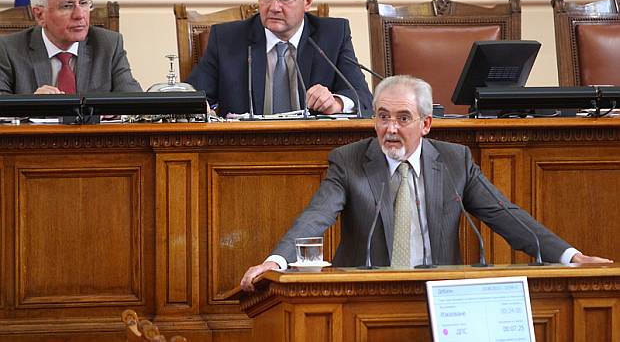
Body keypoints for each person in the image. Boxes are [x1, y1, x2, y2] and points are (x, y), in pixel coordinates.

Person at [240, 75, 612, 291]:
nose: (390, 128)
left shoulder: (454, 161)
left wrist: (571, 256)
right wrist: (275, 261)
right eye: (382, 116)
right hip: (365, 295)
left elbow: (507, 217)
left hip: (440, 293)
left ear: (426, 124)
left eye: (403, 118)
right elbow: (315, 217)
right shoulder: (349, 160)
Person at [185, 0, 372, 117]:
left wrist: (337, 103)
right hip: (244, 143)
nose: (274, 7)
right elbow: (192, 97)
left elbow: (363, 98)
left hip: (315, 143)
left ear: (307, 1)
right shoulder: (227, 39)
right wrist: (201, 108)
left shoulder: (333, 35)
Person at [0, 0, 142, 94]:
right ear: (40, 15)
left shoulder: (108, 45)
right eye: (67, 6)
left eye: (83, 3)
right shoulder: (8, 50)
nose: (79, 15)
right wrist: (32, 106)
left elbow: (135, 103)